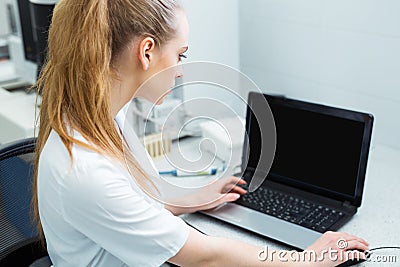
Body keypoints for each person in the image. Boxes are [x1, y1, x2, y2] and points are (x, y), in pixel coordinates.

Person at [32, 0, 369, 266]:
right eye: (180, 55)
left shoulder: (103, 119)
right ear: (146, 52)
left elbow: (129, 210)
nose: (181, 72)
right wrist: (305, 260)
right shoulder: (86, 169)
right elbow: (203, 256)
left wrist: (189, 200)